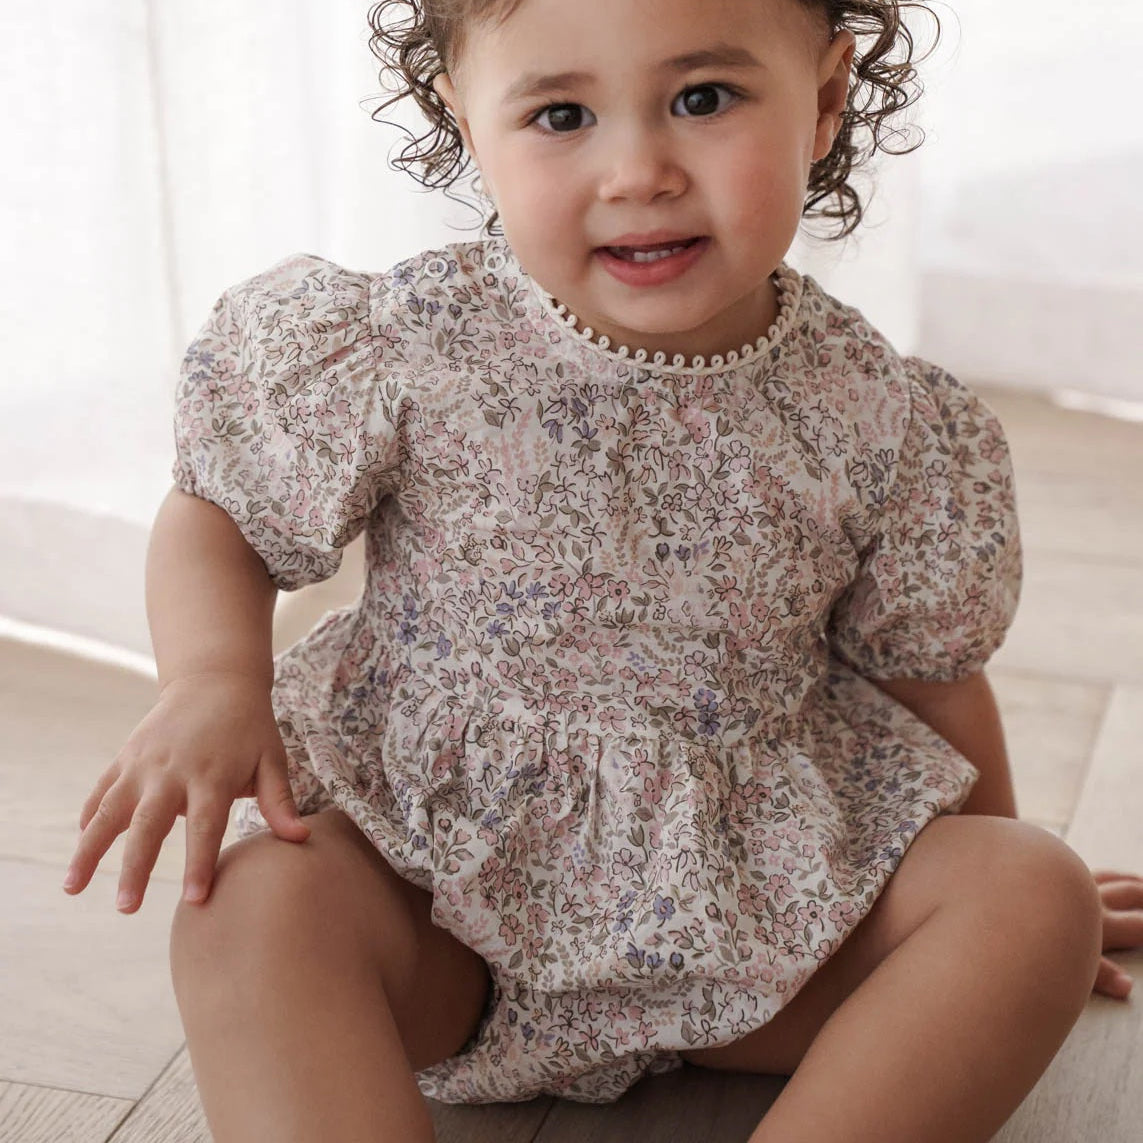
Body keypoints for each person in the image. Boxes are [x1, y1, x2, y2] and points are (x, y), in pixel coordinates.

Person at [62, 0, 1143, 1140]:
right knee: (251, 911)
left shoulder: (880, 415)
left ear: (826, 99)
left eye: (703, 100)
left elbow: (925, 673)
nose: (639, 172)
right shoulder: (408, 343)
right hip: (441, 913)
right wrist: (212, 682)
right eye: (562, 114)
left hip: (757, 928)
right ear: (464, 121)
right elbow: (222, 509)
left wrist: (984, 907)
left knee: (1030, 889)